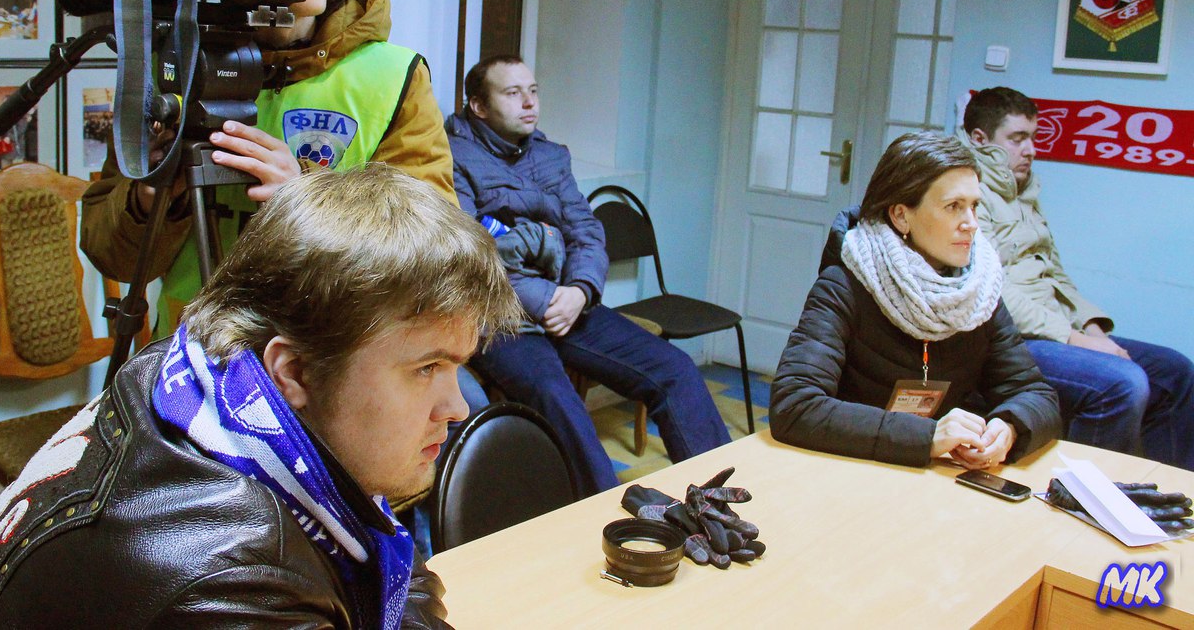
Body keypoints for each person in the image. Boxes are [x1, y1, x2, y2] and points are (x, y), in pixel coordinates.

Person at [0, 164, 522, 629]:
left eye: (456, 366)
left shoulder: (192, 377)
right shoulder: (234, 585)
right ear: (294, 371)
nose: (457, 408)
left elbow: (378, 541)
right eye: (426, 368)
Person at [81, 0, 455, 335]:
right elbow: (114, 260)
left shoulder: (394, 76)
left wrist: (310, 198)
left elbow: (436, 260)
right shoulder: (171, 68)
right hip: (187, 351)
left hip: (318, 354)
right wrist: (150, 197)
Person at [446, 54, 731, 497]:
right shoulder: (452, 157)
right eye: (513, 93)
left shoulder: (550, 156)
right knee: (556, 397)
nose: (529, 102)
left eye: (533, 91)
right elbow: (474, 256)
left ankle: (720, 502)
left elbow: (585, 230)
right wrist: (547, 298)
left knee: (673, 369)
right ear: (479, 106)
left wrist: (580, 290)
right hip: (500, 318)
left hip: (569, 301)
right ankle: (605, 512)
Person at [770, 131, 1061, 468]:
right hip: (850, 466)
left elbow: (1037, 395)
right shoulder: (843, 284)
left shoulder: (978, 289)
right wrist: (927, 436)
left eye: (974, 206)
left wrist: (1009, 428)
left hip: (932, 475)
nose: (971, 224)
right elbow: (795, 405)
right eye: (953, 207)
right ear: (901, 216)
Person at [962, 86, 1194, 469]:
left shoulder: (1023, 193)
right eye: (1017, 139)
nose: (1030, 150)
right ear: (980, 139)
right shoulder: (967, 194)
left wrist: (1090, 327)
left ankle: (1160, 491)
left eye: (1033, 137)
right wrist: (1075, 339)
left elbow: (1055, 274)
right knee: (1124, 382)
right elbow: (992, 291)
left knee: (1175, 372)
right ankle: (1079, 494)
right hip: (1009, 338)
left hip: (1057, 328)